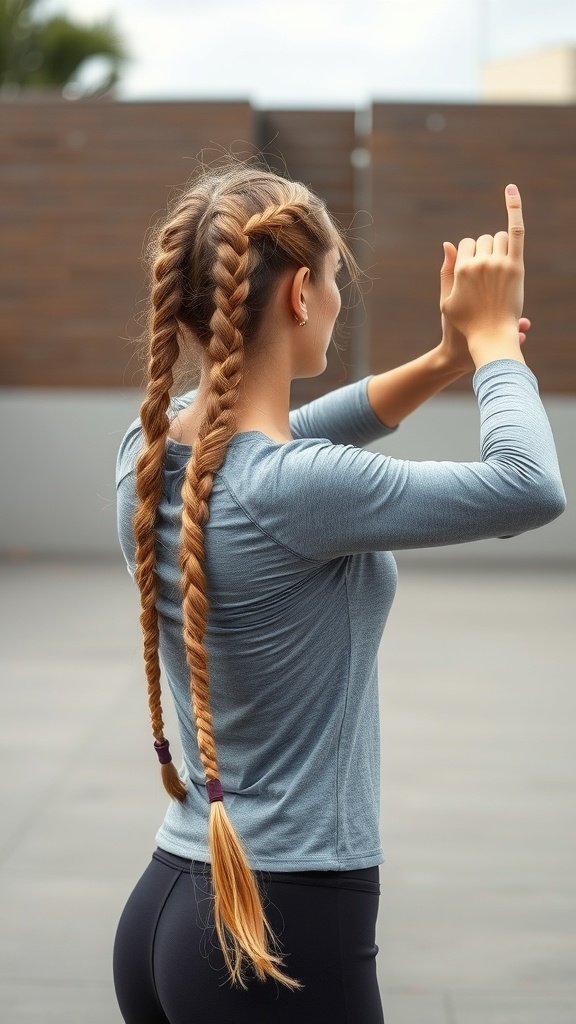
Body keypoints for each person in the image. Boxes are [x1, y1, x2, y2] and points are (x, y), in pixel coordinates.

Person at [112, 161, 565, 1024]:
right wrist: (499, 345)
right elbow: (528, 485)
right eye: (333, 279)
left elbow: (280, 436)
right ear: (298, 296)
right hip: (279, 923)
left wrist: (443, 358)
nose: (337, 298)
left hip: (169, 905)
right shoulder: (296, 489)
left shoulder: (141, 456)